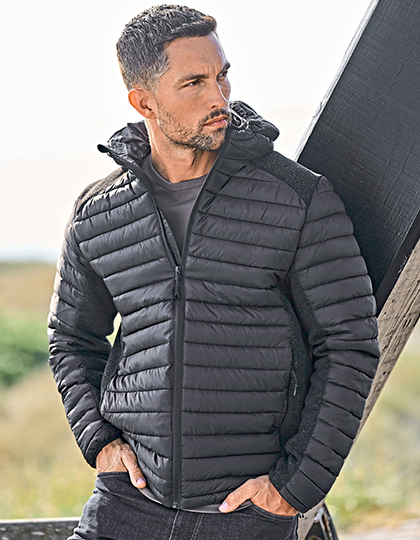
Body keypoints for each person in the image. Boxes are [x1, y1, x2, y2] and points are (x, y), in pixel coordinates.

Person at [48, 5, 381, 540]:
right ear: (144, 102)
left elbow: (349, 343)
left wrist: (295, 488)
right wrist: (101, 442)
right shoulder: (100, 213)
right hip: (127, 501)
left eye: (222, 75)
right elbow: (70, 339)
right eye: (194, 83)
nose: (219, 98)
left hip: (245, 507)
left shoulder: (297, 198)